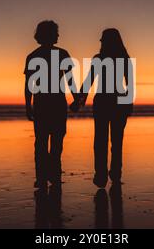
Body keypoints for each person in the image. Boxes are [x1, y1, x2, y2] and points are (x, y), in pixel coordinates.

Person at [71, 28, 133, 188]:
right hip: (118, 102)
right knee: (116, 141)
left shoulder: (100, 58)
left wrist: (79, 100)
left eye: (103, 40)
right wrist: (129, 104)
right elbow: (130, 85)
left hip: (104, 102)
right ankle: (114, 173)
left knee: (100, 140)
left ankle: (101, 175)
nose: (101, 42)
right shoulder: (124, 59)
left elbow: (89, 81)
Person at [24, 20, 78, 188]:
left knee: (41, 142)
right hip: (56, 104)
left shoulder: (33, 56)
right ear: (49, 35)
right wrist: (76, 98)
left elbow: (28, 85)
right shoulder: (62, 53)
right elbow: (70, 80)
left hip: (42, 104)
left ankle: (42, 177)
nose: (58, 35)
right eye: (56, 32)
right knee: (56, 142)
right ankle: (52, 175)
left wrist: (28, 105)